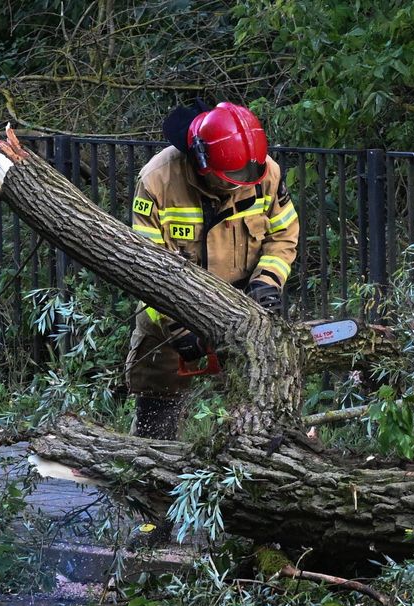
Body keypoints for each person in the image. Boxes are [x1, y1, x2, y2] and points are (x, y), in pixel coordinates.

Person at [122, 101, 298, 545]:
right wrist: (180, 326)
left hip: (243, 304)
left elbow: (283, 234)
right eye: (228, 178)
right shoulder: (158, 180)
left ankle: (248, 520)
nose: (236, 186)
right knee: (158, 407)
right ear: (201, 160)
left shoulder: (262, 172)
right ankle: (152, 516)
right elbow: (146, 267)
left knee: (254, 410)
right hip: (171, 308)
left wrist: (268, 282)